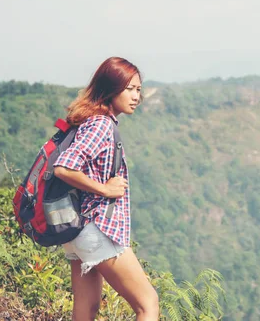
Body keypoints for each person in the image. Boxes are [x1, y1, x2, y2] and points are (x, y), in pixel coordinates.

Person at [53, 57, 159, 321]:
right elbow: (63, 168)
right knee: (148, 303)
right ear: (111, 89)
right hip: (97, 230)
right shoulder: (101, 124)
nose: (137, 96)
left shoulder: (90, 120)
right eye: (129, 89)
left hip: (79, 233)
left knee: (86, 310)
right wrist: (105, 189)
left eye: (138, 89)